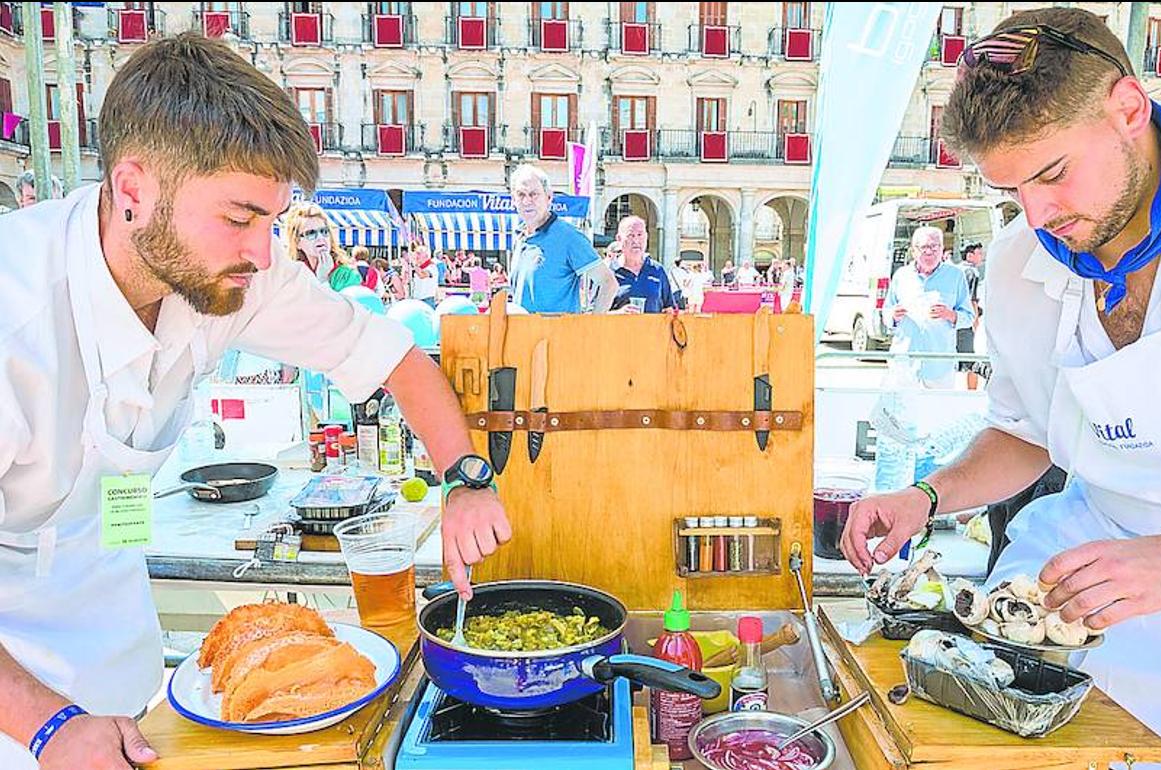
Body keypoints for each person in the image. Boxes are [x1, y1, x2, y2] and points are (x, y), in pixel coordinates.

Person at [0, 34, 508, 770]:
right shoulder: (14, 318)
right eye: (240, 219)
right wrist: (49, 727)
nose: (266, 254)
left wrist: (466, 479)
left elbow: (394, 357)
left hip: (125, 672)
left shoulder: (240, 276)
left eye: (274, 221)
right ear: (134, 189)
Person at [842, 9, 1161, 769]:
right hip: (1061, 583)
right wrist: (926, 498)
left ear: (1128, 109)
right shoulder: (1020, 260)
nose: (1038, 217)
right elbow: (1026, 430)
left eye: (1053, 174)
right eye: (1009, 190)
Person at [508, 164, 617, 313]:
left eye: (534, 194)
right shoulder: (520, 237)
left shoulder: (568, 237)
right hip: (522, 334)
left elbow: (608, 283)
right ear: (513, 200)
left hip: (558, 335)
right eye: (521, 195)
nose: (527, 201)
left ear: (549, 197)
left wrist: (592, 328)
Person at [881, 226, 974, 389]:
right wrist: (893, 315)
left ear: (942, 249)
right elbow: (886, 313)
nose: (930, 252)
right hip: (904, 363)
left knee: (939, 413)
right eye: (924, 247)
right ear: (914, 251)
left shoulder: (956, 276)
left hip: (940, 366)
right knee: (900, 413)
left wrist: (950, 315)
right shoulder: (901, 276)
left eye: (935, 246)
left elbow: (969, 317)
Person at [611, 215, 676, 313]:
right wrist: (617, 314)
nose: (636, 241)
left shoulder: (657, 270)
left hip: (652, 328)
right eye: (631, 235)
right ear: (619, 239)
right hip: (619, 328)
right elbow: (593, 314)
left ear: (646, 237)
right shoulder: (609, 272)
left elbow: (669, 308)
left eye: (640, 235)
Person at [282, 201, 338, 282]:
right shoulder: (293, 275)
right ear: (297, 242)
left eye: (324, 231)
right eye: (310, 233)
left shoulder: (347, 275)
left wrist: (323, 279)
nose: (320, 237)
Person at [957, 242, 986, 388]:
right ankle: (972, 390)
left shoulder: (956, 270)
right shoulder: (972, 272)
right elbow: (971, 298)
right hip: (966, 318)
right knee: (970, 356)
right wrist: (974, 319)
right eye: (979, 253)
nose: (982, 256)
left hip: (954, 318)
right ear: (970, 255)